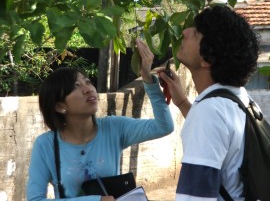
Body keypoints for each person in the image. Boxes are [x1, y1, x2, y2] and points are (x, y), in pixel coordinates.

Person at [26, 39, 174, 201]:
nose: (88, 89)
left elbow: (163, 126)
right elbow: (35, 199)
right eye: (76, 86)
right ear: (60, 106)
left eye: (87, 82)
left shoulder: (114, 128)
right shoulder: (45, 145)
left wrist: (148, 79)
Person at [159, 5, 260, 200]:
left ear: (208, 58)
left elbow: (195, 197)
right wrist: (181, 101)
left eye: (196, 32)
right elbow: (219, 135)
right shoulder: (241, 101)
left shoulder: (210, 111)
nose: (185, 32)